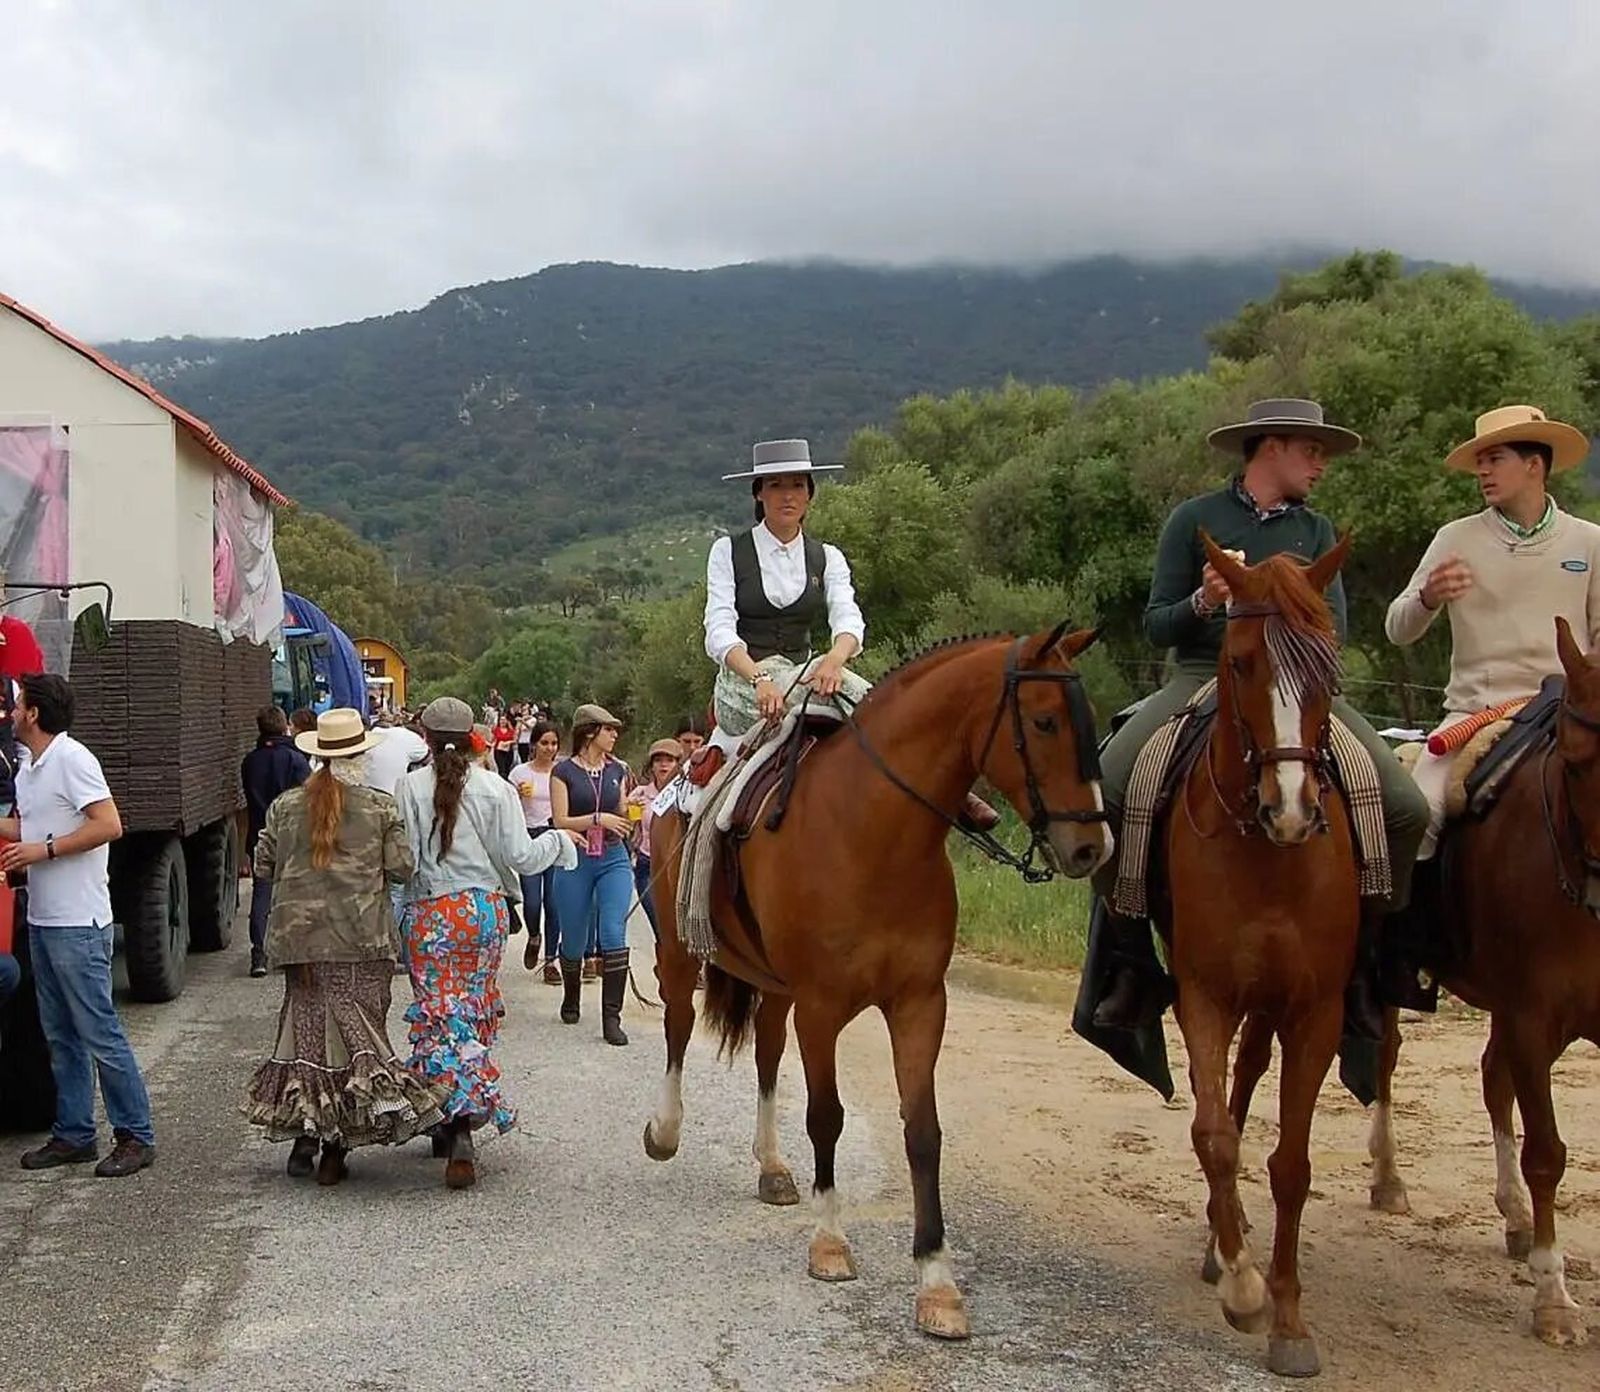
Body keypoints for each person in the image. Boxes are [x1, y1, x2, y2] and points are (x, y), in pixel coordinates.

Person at [1080, 399, 1430, 1034]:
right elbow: (1158, 624)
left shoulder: (1317, 533)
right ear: (1272, 447)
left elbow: (1337, 628)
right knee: (1105, 789)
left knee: (1406, 806)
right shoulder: (1194, 519)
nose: (1320, 465)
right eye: (1311, 451)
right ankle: (1131, 962)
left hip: (1296, 686)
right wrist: (1204, 599)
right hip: (1199, 677)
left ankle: (1371, 961)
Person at [702, 439, 999, 826]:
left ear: (810, 493)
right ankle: (952, 794)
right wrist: (758, 678)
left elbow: (848, 619)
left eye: (797, 485)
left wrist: (834, 659)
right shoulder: (728, 551)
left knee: (876, 701)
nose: (787, 496)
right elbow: (719, 629)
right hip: (745, 684)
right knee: (854, 699)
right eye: (775, 485)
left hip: (801, 674)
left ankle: (941, 790)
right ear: (759, 493)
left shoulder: (827, 556)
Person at [1387, 404, 1600, 880]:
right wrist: (1427, 597)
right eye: (1480, 461)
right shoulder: (1454, 538)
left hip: (1564, 712)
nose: (1482, 470)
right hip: (1475, 713)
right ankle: (1399, 940)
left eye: (1495, 457)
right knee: (1418, 814)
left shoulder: (1590, 542)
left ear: (1533, 465)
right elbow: (1397, 628)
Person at [244, 708, 442, 1185]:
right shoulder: (379, 807)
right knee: (358, 1039)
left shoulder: (286, 806)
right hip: (361, 939)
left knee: (308, 1034)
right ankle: (338, 1146)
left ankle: (305, 1140)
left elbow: (264, 864)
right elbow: (402, 867)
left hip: (301, 942)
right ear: (359, 755)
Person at [395, 697, 579, 1188]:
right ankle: (461, 1117)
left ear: (427, 739)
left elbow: (404, 862)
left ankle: (448, 1118)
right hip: (483, 914)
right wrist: (561, 842)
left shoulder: (409, 788)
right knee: (471, 1010)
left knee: (438, 1012)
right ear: (476, 736)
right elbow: (521, 854)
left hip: (431, 913)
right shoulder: (497, 789)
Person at [1, 673, 155, 1178]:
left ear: (35, 714)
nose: (12, 710)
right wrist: (25, 840)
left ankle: (135, 1134)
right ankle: (74, 1133)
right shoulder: (30, 768)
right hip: (45, 918)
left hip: (79, 922)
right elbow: (31, 826)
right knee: (60, 1033)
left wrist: (42, 851)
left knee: (98, 1030)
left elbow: (108, 824)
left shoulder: (72, 759)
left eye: (18, 703)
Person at [550, 703, 636, 1044]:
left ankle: (611, 1018)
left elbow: (622, 810)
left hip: (613, 856)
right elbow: (560, 820)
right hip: (577, 857)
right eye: (609, 729)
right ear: (589, 732)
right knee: (573, 938)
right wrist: (598, 819)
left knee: (613, 931)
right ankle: (571, 995)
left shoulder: (619, 769)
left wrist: (630, 813)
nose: (615, 734)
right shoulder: (563, 772)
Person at [240, 706, 310, 978]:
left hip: (259, 834)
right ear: (284, 727)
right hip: (292, 837)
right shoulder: (296, 759)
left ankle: (258, 954)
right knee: (295, 893)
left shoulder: (250, 761)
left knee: (262, 894)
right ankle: (291, 951)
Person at [509, 719, 565, 981]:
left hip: (554, 836)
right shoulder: (520, 773)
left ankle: (551, 960)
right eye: (544, 743)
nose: (549, 748)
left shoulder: (563, 772)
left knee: (554, 903)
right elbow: (507, 808)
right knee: (532, 901)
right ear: (534, 745)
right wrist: (518, 795)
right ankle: (534, 935)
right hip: (529, 837)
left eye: (554, 743)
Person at [627, 738, 681, 939]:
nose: (664, 765)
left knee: (678, 929)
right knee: (661, 928)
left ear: (678, 764)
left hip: (676, 867)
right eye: (658, 760)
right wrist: (629, 810)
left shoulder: (685, 793)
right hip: (647, 865)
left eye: (670, 760)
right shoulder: (640, 794)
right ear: (651, 765)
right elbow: (629, 829)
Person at [492, 710, 518, 779]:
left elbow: (515, 740)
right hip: (499, 751)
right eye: (501, 720)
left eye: (504, 720)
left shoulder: (511, 730)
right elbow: (493, 740)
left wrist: (508, 742)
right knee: (501, 769)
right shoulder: (496, 730)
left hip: (508, 751)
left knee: (507, 768)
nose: (503, 721)